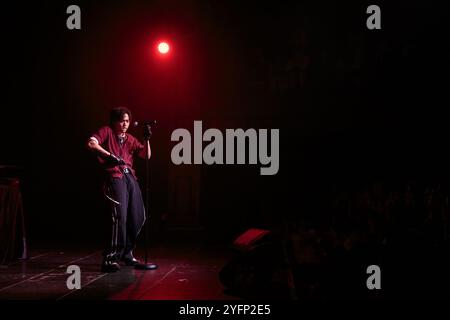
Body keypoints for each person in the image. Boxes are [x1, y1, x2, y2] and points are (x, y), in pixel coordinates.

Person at [87, 107, 151, 272]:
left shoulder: (130, 138)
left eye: (128, 121)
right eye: (122, 120)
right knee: (119, 217)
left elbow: (146, 155)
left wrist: (147, 139)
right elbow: (91, 143)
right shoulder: (106, 131)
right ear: (115, 121)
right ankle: (110, 257)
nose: (125, 124)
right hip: (115, 177)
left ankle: (127, 253)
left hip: (130, 177)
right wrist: (109, 155)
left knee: (138, 216)